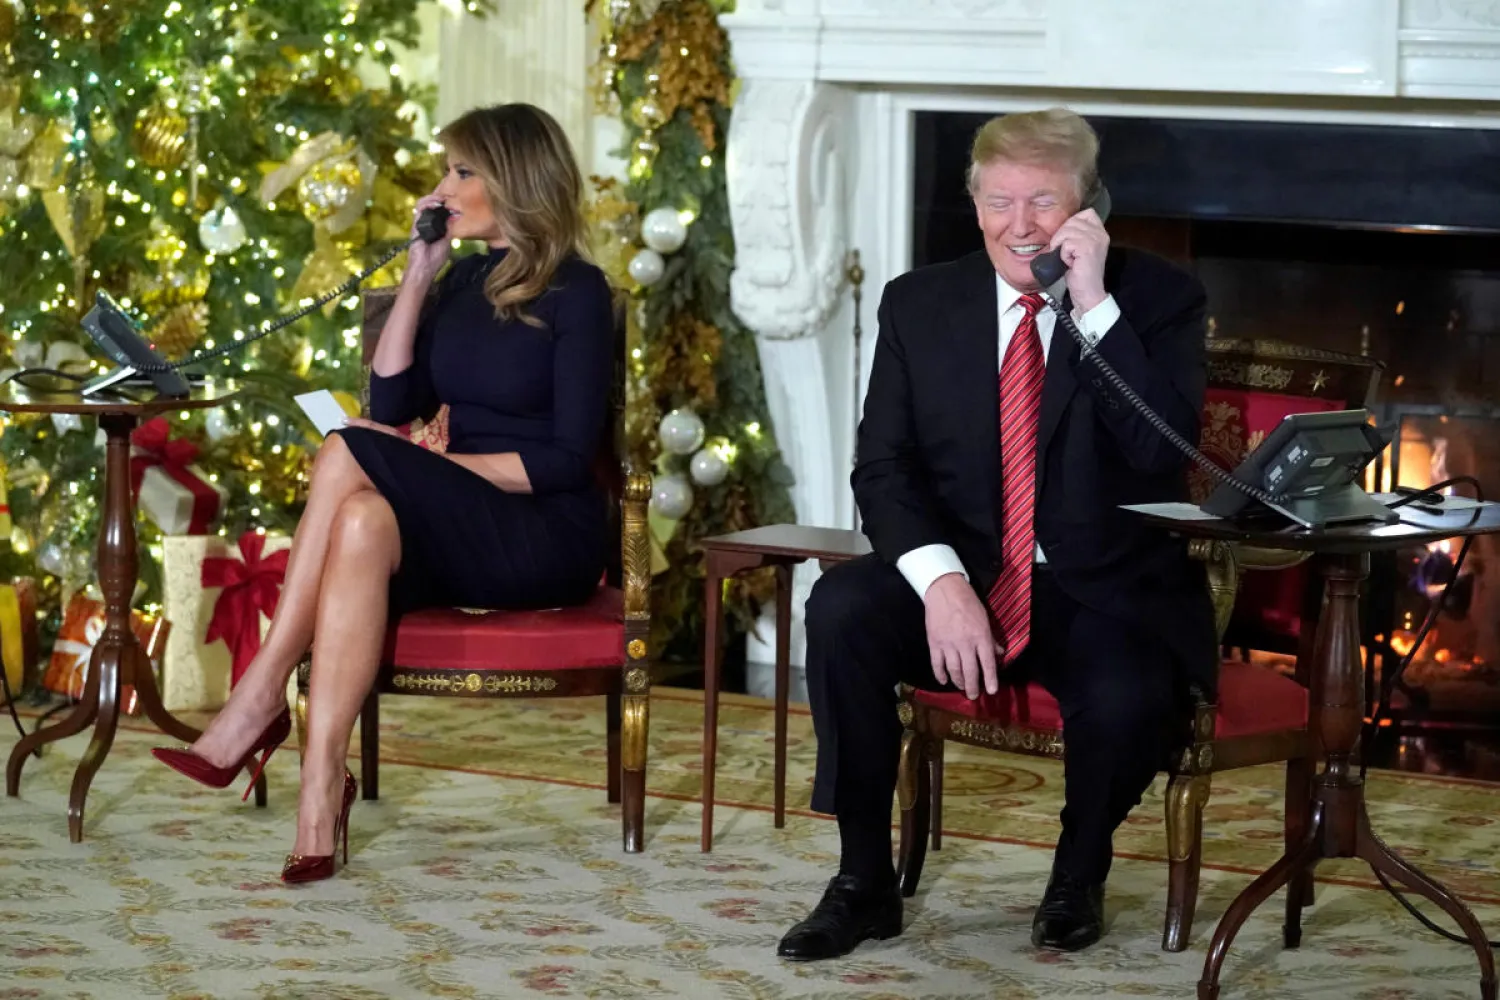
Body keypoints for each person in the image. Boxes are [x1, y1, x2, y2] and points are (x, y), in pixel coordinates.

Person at [777, 108, 1216, 960]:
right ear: (974, 204)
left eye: (1044, 201)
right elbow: (884, 470)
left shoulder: (1158, 299)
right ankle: (862, 881)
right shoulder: (918, 304)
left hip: (1103, 583)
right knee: (841, 610)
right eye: (999, 201)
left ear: (1089, 206)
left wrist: (1091, 304)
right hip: (970, 572)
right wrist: (942, 585)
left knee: (1131, 694)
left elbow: (1162, 452)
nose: (1021, 226)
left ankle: (1077, 872)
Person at [152, 102, 615, 883]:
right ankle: (319, 792)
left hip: (543, 534)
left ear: (515, 178)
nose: (443, 188)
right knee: (363, 516)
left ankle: (261, 690)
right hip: (458, 525)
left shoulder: (580, 291)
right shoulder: (461, 279)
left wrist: (435, 471)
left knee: (350, 450)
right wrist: (418, 274)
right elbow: (395, 403)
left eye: (462, 172)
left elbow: (569, 461)